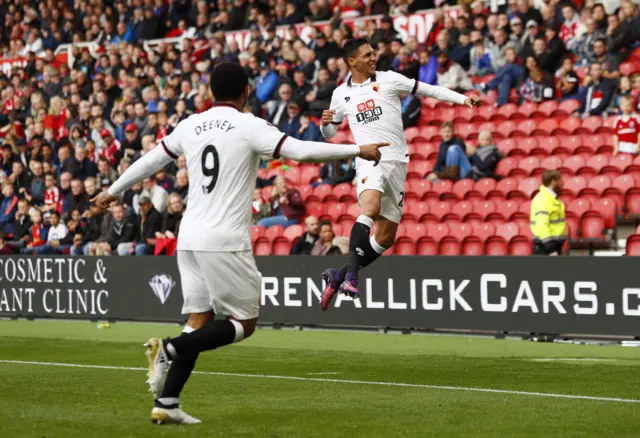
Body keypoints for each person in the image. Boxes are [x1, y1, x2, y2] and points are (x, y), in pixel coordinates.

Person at [91, 62, 388, 425]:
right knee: (244, 323)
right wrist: (358, 150)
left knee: (199, 321)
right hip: (224, 240)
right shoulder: (249, 125)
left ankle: (167, 402)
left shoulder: (191, 125)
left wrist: (111, 191)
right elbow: (300, 151)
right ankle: (169, 348)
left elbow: (149, 162)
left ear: (211, 93)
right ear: (246, 92)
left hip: (189, 237)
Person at [318, 38, 481, 310]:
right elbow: (330, 132)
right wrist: (324, 126)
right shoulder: (340, 94)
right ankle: (352, 278)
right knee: (369, 208)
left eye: (374, 52)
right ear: (351, 61)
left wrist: (463, 99)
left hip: (397, 162)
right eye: (368, 54)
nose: (374, 57)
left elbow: (429, 90)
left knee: (384, 238)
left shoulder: (390, 79)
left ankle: (338, 275)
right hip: (369, 157)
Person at [530, 170, 566, 255]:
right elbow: (542, 226)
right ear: (554, 181)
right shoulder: (542, 200)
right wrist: (551, 250)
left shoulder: (552, 199)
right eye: (560, 180)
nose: (562, 184)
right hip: (546, 249)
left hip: (554, 248)